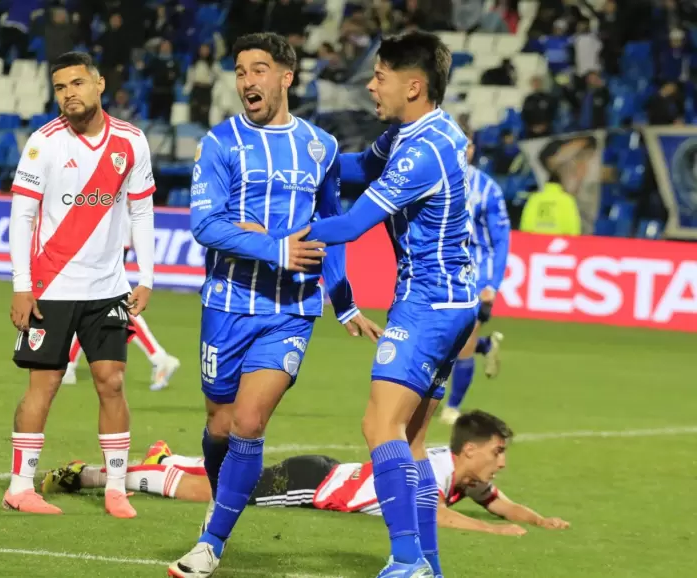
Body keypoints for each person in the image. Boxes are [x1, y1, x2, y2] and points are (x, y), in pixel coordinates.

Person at [252, 30, 476, 577]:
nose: (371, 85)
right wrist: (305, 152)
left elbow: (352, 225)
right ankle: (428, 566)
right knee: (413, 441)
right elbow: (353, 170)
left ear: (413, 85)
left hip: (428, 305)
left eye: (380, 77)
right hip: (451, 300)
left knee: (380, 428)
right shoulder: (419, 131)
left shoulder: (421, 151)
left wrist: (283, 229)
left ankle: (405, 561)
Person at [170, 32, 382, 578]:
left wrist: (344, 301)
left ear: (285, 77)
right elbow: (204, 224)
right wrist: (275, 246)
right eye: (240, 72)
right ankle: (223, 504)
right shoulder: (219, 144)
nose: (247, 82)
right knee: (218, 424)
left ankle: (211, 543)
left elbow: (330, 232)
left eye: (258, 70)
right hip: (226, 304)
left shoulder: (321, 148)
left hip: (291, 310)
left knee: (248, 420)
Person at [6, 51, 156, 519]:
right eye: (60, 87)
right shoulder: (43, 143)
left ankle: (115, 487)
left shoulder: (131, 141)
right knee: (44, 385)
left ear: (99, 84)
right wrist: (21, 286)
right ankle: (20, 487)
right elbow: (21, 216)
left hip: (108, 287)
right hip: (50, 288)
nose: (68, 94)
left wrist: (147, 276)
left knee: (111, 382)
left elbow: (141, 211)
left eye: (76, 83)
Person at [43, 409, 570, 536]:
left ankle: (163, 458)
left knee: (221, 486)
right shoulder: (430, 468)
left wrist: (539, 519)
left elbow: (501, 501)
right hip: (311, 484)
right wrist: (494, 530)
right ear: (469, 450)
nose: (500, 461)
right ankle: (101, 476)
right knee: (214, 494)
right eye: (497, 452)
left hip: (318, 472)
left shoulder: (467, 478)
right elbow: (434, 516)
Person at [64, 201, 181, 391]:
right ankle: (159, 358)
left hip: (110, 236)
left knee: (99, 306)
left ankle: (68, 365)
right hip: (110, 232)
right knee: (98, 308)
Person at [440, 140, 510, 425]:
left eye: (468, 144)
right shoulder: (436, 179)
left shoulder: (488, 189)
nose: (463, 149)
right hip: (442, 272)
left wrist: (492, 284)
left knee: (463, 339)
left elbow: (500, 240)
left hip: (477, 275)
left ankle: (453, 406)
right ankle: (485, 346)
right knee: (445, 340)